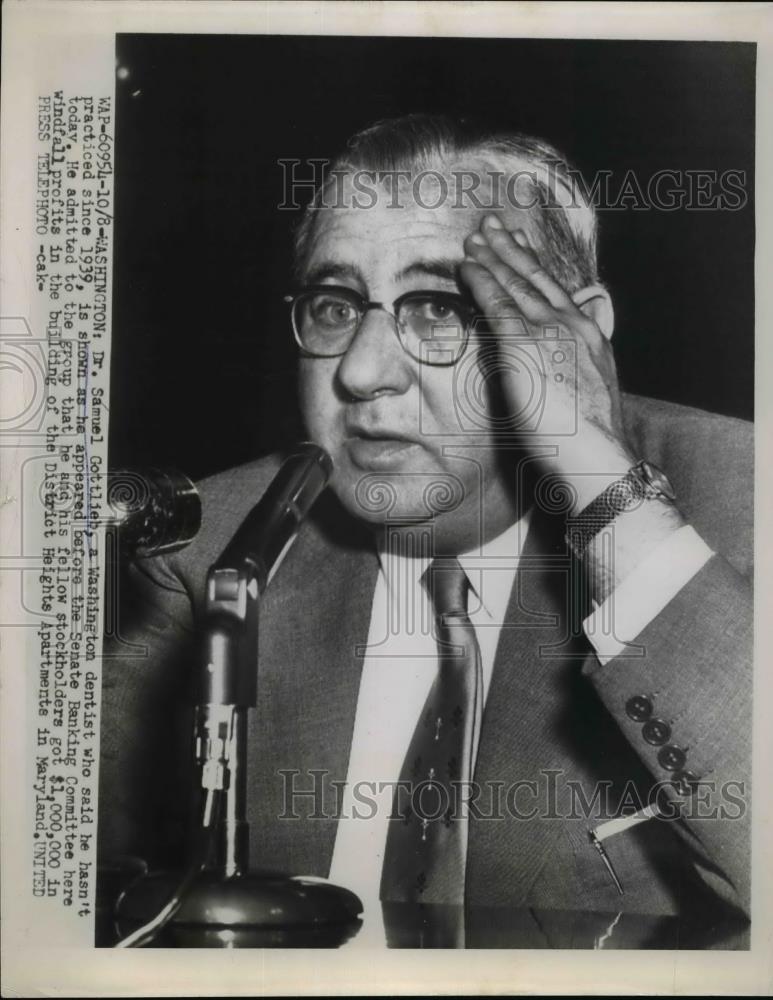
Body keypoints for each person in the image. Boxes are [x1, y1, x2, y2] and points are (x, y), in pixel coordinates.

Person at [99, 115, 752, 935]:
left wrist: (603, 484)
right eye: (335, 306)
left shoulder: (742, 505)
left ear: (578, 333)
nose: (363, 373)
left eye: (438, 308)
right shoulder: (207, 555)